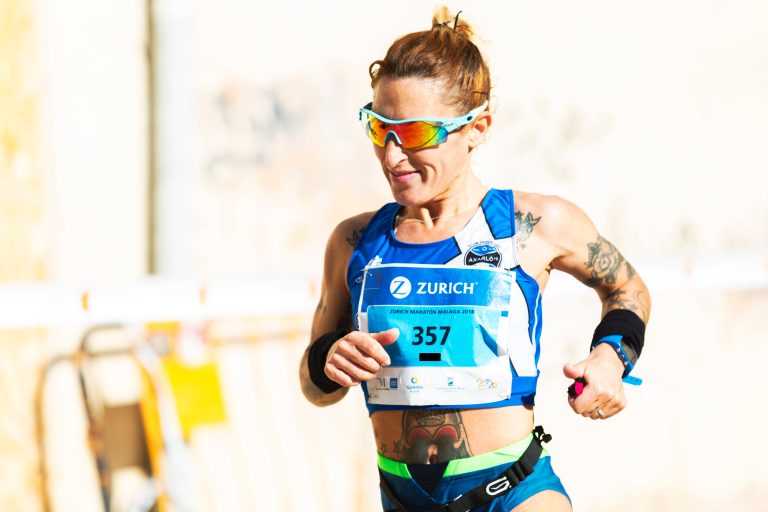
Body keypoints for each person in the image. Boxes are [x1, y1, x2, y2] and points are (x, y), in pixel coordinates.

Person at [299, 7, 651, 512]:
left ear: (477, 127)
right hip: (401, 498)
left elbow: (629, 289)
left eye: (416, 133)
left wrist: (611, 356)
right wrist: (328, 359)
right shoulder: (353, 241)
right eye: (379, 129)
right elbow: (314, 387)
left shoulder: (535, 224)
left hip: (514, 494)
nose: (392, 155)